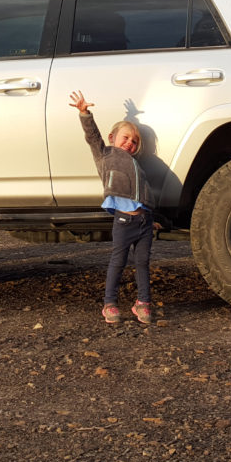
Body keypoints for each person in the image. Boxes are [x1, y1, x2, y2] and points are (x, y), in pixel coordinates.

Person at [68, 90, 159, 324]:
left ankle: (143, 303)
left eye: (134, 141)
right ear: (112, 138)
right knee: (118, 262)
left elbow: (144, 194)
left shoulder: (137, 165)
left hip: (144, 222)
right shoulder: (105, 155)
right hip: (123, 222)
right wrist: (84, 113)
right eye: (125, 138)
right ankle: (110, 303)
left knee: (142, 262)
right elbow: (92, 137)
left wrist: (153, 217)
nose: (129, 143)